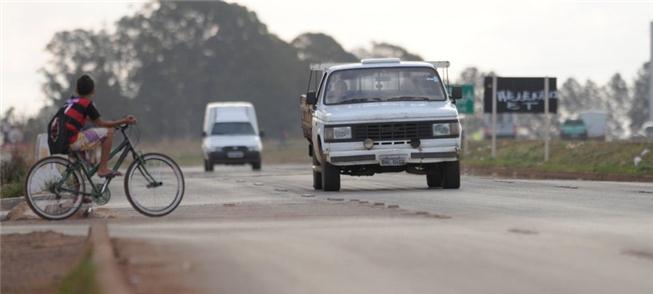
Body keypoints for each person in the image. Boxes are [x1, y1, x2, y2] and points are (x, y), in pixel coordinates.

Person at [63, 74, 136, 177]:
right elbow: (100, 123)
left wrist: (111, 122)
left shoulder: (71, 102)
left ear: (76, 89)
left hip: (63, 139)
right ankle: (103, 169)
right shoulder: (87, 104)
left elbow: (90, 120)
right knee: (109, 132)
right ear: (93, 91)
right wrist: (124, 121)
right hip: (73, 139)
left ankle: (78, 191)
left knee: (78, 169)